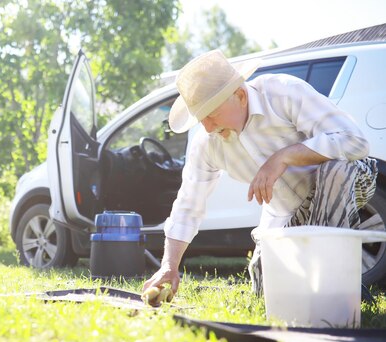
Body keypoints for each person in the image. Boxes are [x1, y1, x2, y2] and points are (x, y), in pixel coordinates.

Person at [143, 49, 377, 296]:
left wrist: (285, 156)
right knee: (266, 293)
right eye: (202, 119)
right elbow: (188, 205)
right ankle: (328, 281)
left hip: (348, 181)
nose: (208, 127)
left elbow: (354, 142)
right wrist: (169, 265)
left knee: (335, 173)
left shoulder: (283, 92)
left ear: (241, 96)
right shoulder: (206, 144)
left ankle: (338, 285)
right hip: (285, 212)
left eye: (212, 114)